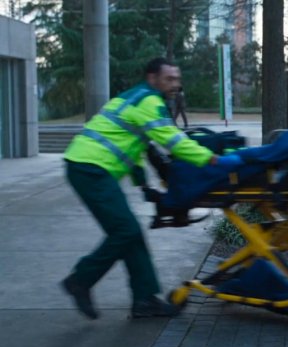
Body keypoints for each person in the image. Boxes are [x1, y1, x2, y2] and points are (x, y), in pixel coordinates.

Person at [61, 57, 243, 319]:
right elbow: (174, 141)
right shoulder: (150, 101)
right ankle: (80, 280)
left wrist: (144, 185)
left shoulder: (131, 97)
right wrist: (214, 160)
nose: (175, 84)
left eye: (177, 79)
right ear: (152, 78)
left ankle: (144, 300)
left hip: (89, 167)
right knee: (125, 231)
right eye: (169, 79)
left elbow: (134, 147)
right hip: (89, 169)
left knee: (130, 234)